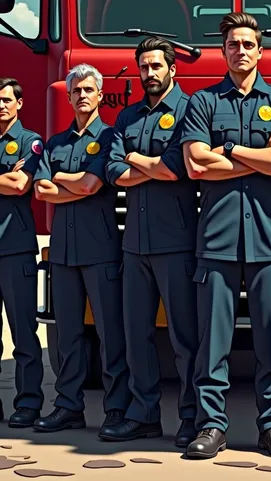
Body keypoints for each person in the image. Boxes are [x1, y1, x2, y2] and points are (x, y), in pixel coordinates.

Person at [181, 12, 271, 460]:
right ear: (224, 51)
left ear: (260, 51)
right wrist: (261, 154)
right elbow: (197, 164)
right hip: (216, 239)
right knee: (212, 343)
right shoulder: (203, 103)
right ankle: (211, 426)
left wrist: (229, 149)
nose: (241, 50)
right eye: (233, 44)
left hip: (269, 241)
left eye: (248, 44)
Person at [102, 37, 199, 447]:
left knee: (184, 337)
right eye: (143, 67)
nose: (149, 73)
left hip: (175, 243)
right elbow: (112, 170)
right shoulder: (127, 116)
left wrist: (137, 161)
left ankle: (194, 417)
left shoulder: (189, 111)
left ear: (172, 69)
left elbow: (179, 167)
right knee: (135, 333)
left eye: (156, 65)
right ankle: (143, 414)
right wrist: (151, 166)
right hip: (134, 245)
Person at [32, 64, 130, 435]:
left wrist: (61, 180)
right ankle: (68, 407)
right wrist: (74, 184)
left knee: (110, 334)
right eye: (77, 91)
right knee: (68, 336)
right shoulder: (55, 142)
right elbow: (41, 190)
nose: (83, 96)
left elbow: (91, 185)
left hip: (101, 251)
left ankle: (117, 408)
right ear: (69, 96)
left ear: (100, 95)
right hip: (63, 254)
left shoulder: (110, 138)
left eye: (90, 89)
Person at [0, 77, 44, 428]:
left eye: (6, 100)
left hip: (15, 249)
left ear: (19, 104)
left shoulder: (29, 142)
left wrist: (9, 179)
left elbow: (19, 185)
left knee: (24, 335)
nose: (1, 105)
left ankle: (28, 403)